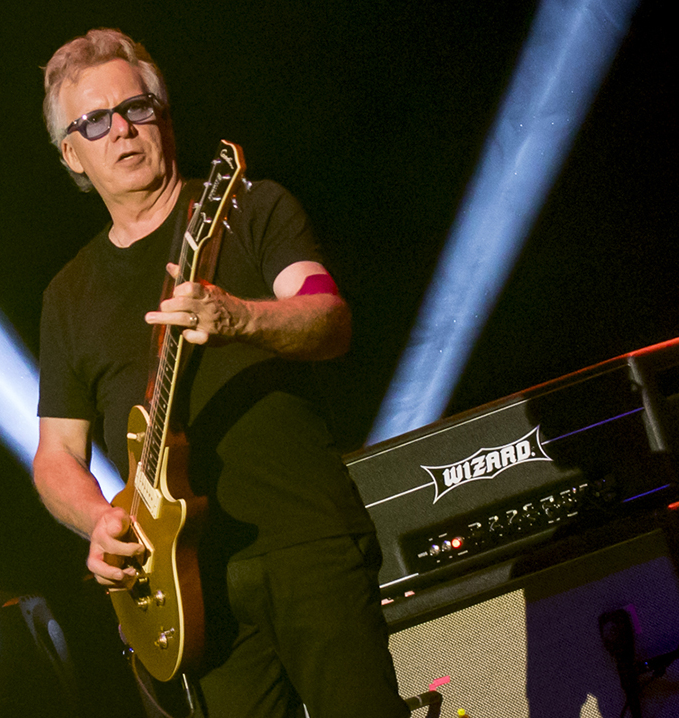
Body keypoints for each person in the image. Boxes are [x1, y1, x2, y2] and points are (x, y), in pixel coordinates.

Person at [31, 28, 409, 718]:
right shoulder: (68, 295)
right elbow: (56, 455)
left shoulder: (250, 207)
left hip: (306, 541)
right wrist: (97, 522)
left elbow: (328, 317)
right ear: (71, 153)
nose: (121, 129)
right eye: (94, 120)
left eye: (136, 108)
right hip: (186, 583)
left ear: (162, 115)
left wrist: (240, 318)